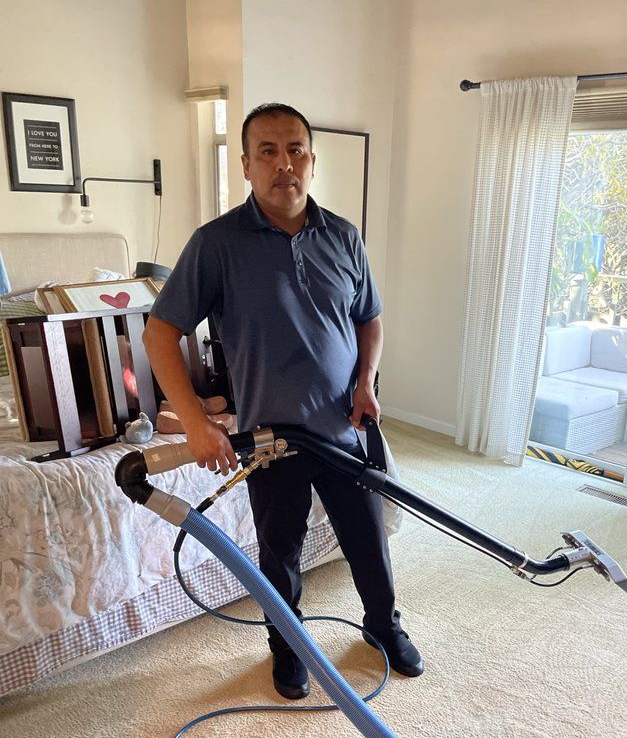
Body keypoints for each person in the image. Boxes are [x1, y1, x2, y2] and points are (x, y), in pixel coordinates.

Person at [143, 102, 423, 700]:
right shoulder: (216, 245)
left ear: (312, 162)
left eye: (295, 149)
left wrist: (368, 380)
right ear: (245, 166)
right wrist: (195, 423)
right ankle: (287, 646)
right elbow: (160, 334)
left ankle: (383, 626)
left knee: (367, 541)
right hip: (271, 439)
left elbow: (370, 318)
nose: (283, 163)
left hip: (345, 429)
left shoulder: (344, 236)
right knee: (281, 550)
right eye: (267, 151)